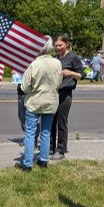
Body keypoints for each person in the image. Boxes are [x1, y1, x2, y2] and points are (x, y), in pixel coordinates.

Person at [18, 38, 62, 170]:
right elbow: (59, 82)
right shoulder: (57, 63)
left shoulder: (34, 65)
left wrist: (32, 89)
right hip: (51, 101)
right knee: (46, 132)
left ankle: (27, 163)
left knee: (30, 133)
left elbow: (25, 87)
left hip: (35, 102)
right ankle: (43, 160)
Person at [50, 35, 83, 159]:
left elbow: (82, 75)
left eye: (60, 45)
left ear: (66, 44)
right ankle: (51, 147)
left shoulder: (73, 57)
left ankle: (61, 150)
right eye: (56, 46)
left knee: (61, 122)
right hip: (53, 93)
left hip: (65, 93)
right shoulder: (55, 59)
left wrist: (70, 73)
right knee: (51, 121)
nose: (58, 48)